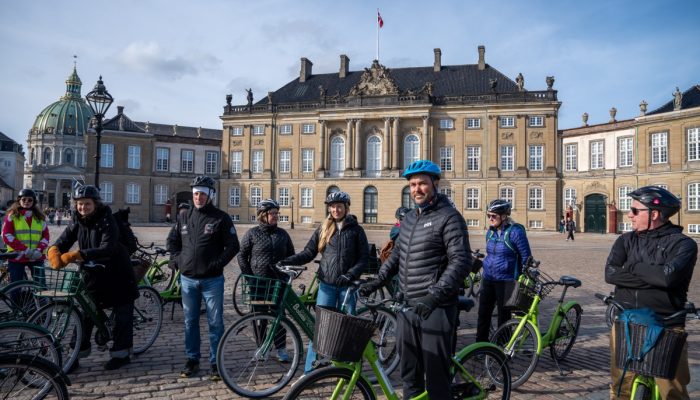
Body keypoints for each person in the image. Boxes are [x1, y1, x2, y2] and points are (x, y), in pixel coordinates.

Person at [359, 159, 471, 399]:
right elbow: (397, 254)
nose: (416, 189)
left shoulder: (449, 217)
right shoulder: (409, 218)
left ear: (435, 183)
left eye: (422, 183)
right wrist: (377, 281)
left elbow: (461, 261)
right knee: (409, 374)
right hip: (408, 306)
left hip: (436, 308)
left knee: (437, 380)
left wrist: (434, 297)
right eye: (412, 184)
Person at [605, 186, 696, 400]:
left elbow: (667, 278)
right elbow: (611, 274)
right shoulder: (625, 240)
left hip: (666, 325)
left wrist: (632, 267)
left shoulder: (684, 244)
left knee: (672, 391)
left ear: (654, 215)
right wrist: (654, 277)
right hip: (626, 322)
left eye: (635, 211)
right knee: (621, 389)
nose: (629, 215)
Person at [47, 185, 138, 371]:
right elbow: (64, 239)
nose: (83, 208)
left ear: (95, 204)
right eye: (80, 204)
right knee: (85, 312)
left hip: (117, 272)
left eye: (87, 204)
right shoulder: (77, 220)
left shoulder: (107, 220)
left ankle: (121, 355)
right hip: (93, 271)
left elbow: (108, 248)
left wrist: (76, 255)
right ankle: (76, 356)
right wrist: (54, 250)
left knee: (123, 313)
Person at [280, 191, 369, 373]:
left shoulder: (356, 230)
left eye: (339, 206)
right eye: (333, 206)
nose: (336, 209)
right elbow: (308, 253)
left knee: (346, 330)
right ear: (329, 208)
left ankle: (348, 369)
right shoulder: (323, 228)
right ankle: (309, 371)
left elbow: (364, 259)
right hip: (327, 285)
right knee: (321, 329)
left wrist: (351, 274)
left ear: (346, 208)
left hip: (347, 287)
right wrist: (288, 260)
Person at [166, 176, 239, 380]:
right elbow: (172, 241)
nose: (198, 197)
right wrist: (176, 260)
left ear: (210, 196)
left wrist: (218, 264)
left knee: (215, 323)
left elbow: (233, 246)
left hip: (212, 281)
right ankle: (192, 360)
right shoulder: (183, 216)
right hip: (188, 280)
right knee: (190, 322)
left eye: (202, 194)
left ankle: (216, 362)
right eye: (196, 193)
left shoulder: (221, 218)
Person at [237, 199, 295, 362]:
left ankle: (281, 349)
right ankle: (262, 347)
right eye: (272, 213)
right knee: (259, 316)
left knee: (279, 316)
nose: (276, 216)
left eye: (277, 213)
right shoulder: (252, 233)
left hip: (278, 283)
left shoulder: (282, 234)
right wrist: (249, 276)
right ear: (263, 215)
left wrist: (286, 273)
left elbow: (291, 254)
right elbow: (242, 255)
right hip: (259, 283)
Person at [475, 199, 532, 343]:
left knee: (504, 317)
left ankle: (502, 348)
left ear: (504, 216)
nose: (490, 219)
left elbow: (526, 257)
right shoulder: (491, 232)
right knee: (483, 314)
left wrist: (525, 275)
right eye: (488, 216)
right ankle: (480, 345)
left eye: (494, 216)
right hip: (488, 278)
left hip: (506, 281)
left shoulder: (515, 232)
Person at [2, 189, 50, 283]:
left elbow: (46, 236)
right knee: (15, 286)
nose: (27, 202)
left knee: (41, 286)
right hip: (17, 256)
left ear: (34, 202)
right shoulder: (12, 216)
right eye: (24, 199)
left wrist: (39, 250)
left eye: (30, 200)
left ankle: (41, 298)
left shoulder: (39, 218)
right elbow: (7, 235)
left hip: (36, 257)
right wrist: (25, 250)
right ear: (19, 201)